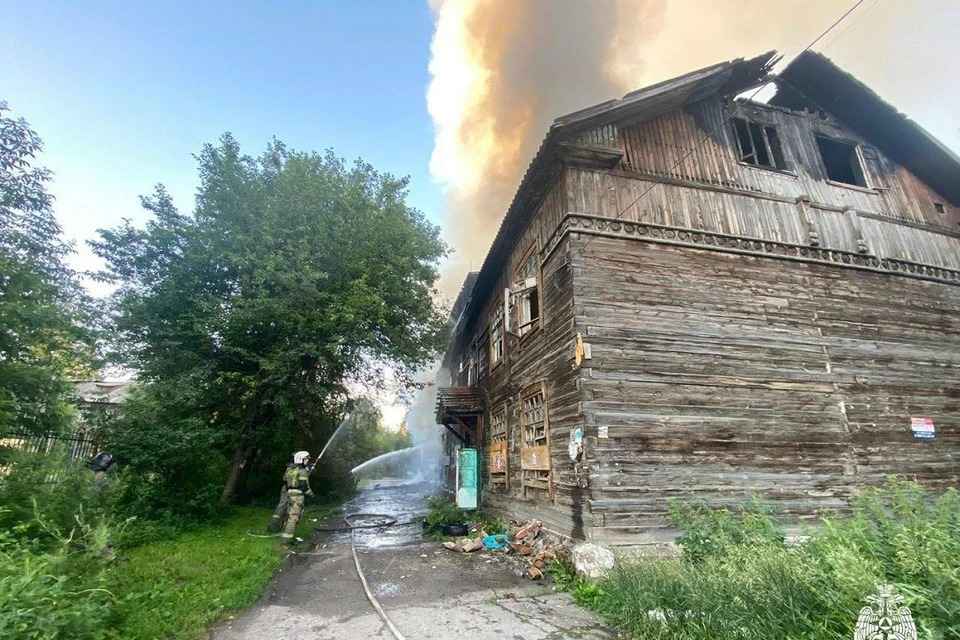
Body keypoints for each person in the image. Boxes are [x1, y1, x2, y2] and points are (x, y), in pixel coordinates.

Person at [279, 450, 314, 540]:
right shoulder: (302, 471)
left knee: (289, 515)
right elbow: (303, 486)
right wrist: (311, 494)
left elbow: (286, 482)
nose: (307, 461)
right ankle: (286, 540)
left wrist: (309, 470)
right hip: (298, 497)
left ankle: (284, 534)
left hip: (290, 494)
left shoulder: (290, 469)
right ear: (300, 459)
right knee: (294, 517)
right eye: (306, 459)